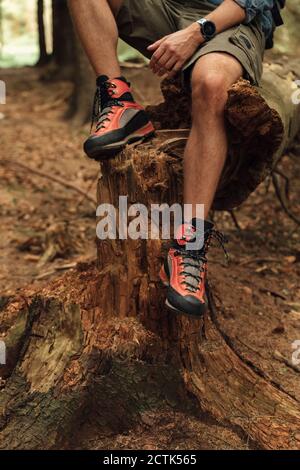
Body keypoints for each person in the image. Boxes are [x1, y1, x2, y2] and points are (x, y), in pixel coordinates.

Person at [68, 0, 274, 317]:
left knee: (211, 85)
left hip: (231, 21)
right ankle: (119, 101)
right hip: (167, 7)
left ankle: (190, 249)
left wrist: (197, 31)